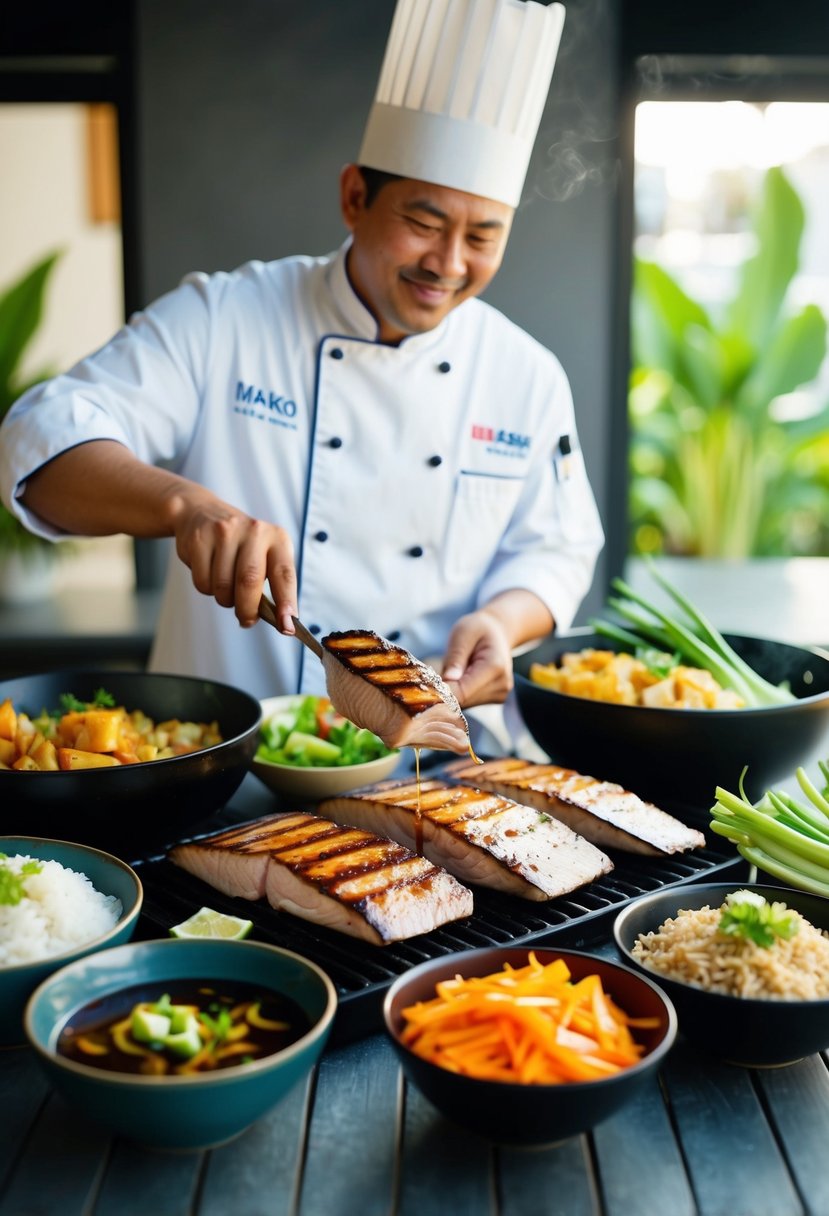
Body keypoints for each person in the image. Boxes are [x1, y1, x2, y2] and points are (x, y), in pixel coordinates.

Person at [0, 0, 603, 718]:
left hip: (436, 763)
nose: (447, 263)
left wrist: (504, 623)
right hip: (231, 766)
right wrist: (183, 506)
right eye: (423, 222)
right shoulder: (226, 318)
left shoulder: (524, 375)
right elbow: (38, 439)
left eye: (482, 237)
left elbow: (559, 548)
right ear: (354, 197)